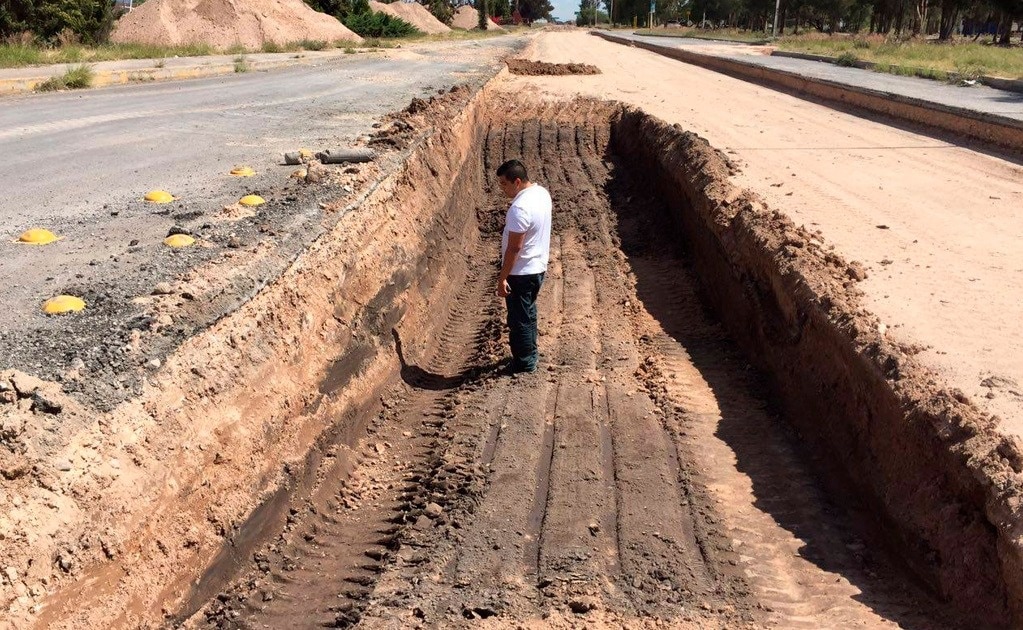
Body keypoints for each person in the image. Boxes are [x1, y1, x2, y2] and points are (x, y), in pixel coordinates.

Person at [495, 159, 552, 374]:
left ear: (517, 181)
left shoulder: (519, 208)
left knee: (519, 320)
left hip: (521, 272)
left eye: (504, 184)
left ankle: (524, 363)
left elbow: (514, 249)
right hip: (538, 267)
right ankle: (530, 353)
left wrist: (502, 278)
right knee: (528, 313)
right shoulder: (541, 194)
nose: (502, 189)